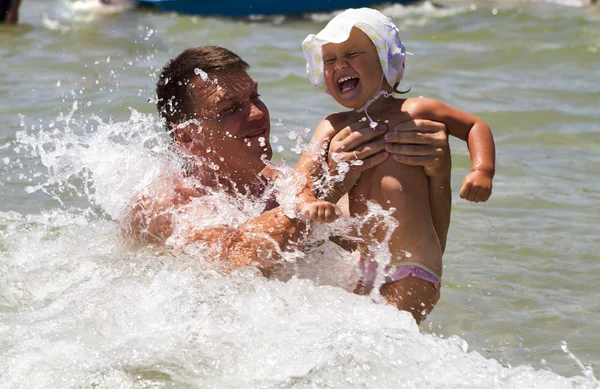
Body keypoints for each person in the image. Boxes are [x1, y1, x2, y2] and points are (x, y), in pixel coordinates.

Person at [122, 45, 453, 324]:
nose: (257, 114)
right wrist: (327, 186)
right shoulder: (163, 200)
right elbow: (235, 259)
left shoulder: (285, 185)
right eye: (231, 108)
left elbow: (405, 261)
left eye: (255, 96)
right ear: (189, 137)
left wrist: (436, 175)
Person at [298, 8, 496, 319]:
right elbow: (304, 171)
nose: (340, 65)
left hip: (413, 265)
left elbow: (474, 126)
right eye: (330, 60)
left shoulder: (417, 109)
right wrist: (309, 199)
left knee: (386, 334)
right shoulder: (332, 125)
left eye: (351, 53)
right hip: (358, 265)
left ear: (388, 60)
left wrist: (482, 171)